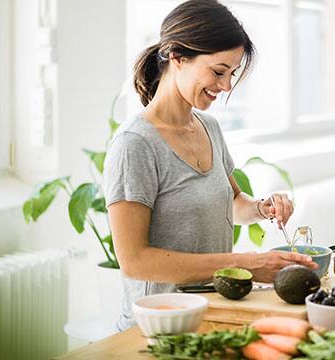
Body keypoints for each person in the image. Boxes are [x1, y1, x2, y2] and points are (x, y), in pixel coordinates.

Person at [104, 0, 317, 331]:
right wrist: (247, 264)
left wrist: (263, 207)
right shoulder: (135, 143)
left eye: (231, 74)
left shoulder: (209, 128)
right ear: (177, 57)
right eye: (218, 71)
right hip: (158, 327)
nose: (226, 86)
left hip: (212, 313)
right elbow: (135, 261)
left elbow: (232, 204)